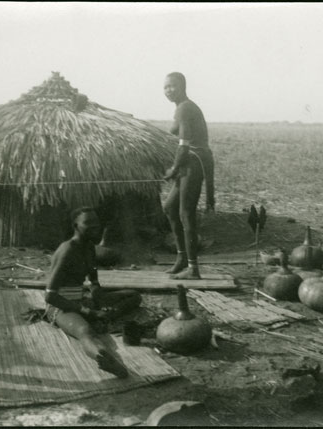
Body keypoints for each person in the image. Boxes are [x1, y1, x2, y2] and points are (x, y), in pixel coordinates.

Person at [44, 206, 142, 377]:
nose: (94, 226)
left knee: (134, 296)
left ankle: (107, 317)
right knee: (85, 332)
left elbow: (93, 281)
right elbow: (50, 295)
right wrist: (87, 311)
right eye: (88, 223)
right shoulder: (67, 250)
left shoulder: (90, 248)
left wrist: (99, 300)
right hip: (62, 305)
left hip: (83, 299)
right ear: (76, 225)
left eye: (96, 222)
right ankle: (102, 356)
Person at [163, 72, 215, 279]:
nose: (168, 90)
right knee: (169, 208)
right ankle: (182, 258)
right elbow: (175, 131)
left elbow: (183, 145)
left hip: (194, 162)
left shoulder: (185, 107)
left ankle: (193, 268)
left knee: (186, 213)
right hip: (190, 161)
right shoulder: (182, 108)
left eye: (172, 86)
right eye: (165, 87)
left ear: (183, 86)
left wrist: (173, 170)